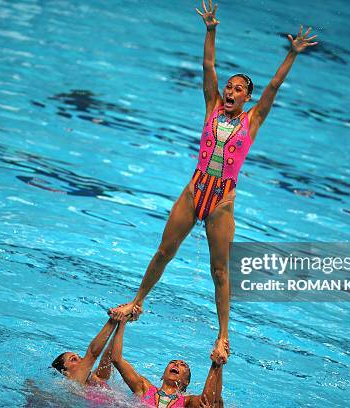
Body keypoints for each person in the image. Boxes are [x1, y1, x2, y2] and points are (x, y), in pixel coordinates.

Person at [110, 0, 318, 364]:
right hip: (195, 189)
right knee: (164, 251)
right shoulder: (211, 108)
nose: (230, 91)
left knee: (220, 271)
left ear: (247, 97)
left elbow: (274, 85)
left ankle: (223, 336)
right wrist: (211, 29)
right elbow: (208, 66)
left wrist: (292, 53)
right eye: (229, 87)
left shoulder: (252, 121)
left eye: (238, 89)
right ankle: (137, 302)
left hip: (222, 200)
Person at [109, 317, 224, 407]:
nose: (177, 364)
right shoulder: (144, 388)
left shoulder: (187, 401)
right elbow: (116, 359)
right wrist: (122, 323)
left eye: (183, 365)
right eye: (172, 362)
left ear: (186, 382)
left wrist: (216, 365)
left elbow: (209, 401)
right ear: (162, 375)